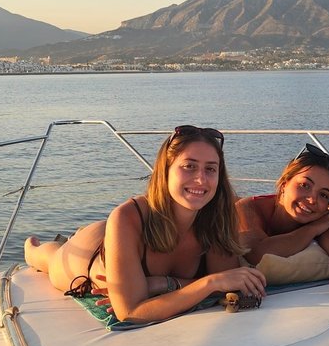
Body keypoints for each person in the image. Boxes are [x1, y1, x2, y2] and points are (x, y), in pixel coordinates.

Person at [23, 124, 265, 323]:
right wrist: (207, 283)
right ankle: (31, 248)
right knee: (48, 259)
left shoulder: (215, 217)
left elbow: (227, 281)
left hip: (120, 237)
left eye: (210, 169)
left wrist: (162, 284)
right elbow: (130, 312)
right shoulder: (128, 216)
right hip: (87, 257)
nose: (201, 178)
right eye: (189, 166)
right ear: (166, 170)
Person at [237, 144, 329, 296]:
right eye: (304, 185)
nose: (312, 199)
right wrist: (311, 230)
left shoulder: (321, 218)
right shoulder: (248, 207)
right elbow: (256, 253)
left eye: (323, 195)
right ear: (284, 184)